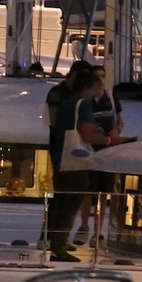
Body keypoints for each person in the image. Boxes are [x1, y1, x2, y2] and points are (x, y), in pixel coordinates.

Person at [46, 68, 112, 261]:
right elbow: (87, 135)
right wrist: (108, 140)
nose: (94, 94)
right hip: (74, 163)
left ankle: (56, 243)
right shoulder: (83, 105)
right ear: (86, 88)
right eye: (93, 89)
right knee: (71, 203)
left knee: (61, 203)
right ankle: (59, 248)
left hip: (60, 159)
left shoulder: (66, 103)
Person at [73, 74, 124, 246]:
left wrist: (116, 131)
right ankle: (84, 226)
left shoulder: (111, 97)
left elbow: (119, 121)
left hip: (108, 151)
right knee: (89, 190)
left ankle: (98, 232)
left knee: (103, 191)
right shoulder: (86, 101)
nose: (102, 80)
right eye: (98, 77)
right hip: (89, 149)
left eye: (104, 76)